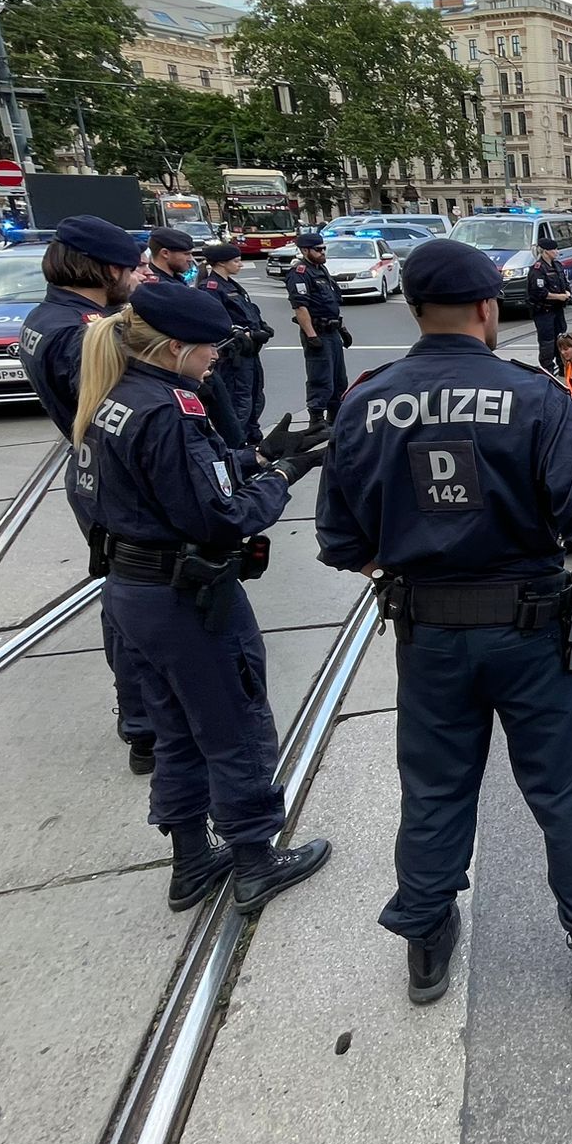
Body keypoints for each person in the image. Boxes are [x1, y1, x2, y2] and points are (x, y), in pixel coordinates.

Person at [315, 238, 572, 1008]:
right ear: (487, 308)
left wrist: (414, 579)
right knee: (567, 787)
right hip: (532, 633)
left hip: (428, 636)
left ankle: (427, 941)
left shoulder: (366, 400)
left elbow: (341, 544)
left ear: (411, 309)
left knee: (434, 788)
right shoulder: (532, 397)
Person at [73, 280, 333, 916]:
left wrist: (254, 454)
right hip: (185, 598)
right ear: (175, 347)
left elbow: (160, 485)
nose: (221, 355)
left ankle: (190, 860)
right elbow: (219, 516)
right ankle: (253, 859)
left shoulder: (115, 396)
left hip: (132, 593)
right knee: (233, 721)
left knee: (175, 728)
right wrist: (279, 477)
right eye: (211, 346)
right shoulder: (170, 411)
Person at [18, 214, 160, 774]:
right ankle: (147, 725)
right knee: (140, 603)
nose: (136, 275)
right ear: (102, 268)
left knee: (125, 597)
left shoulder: (47, 316)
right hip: (120, 484)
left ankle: (143, 720)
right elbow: (120, 414)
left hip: (91, 475)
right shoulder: (84, 331)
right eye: (130, 266)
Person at [195, 242, 272, 448]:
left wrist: (261, 327)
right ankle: (237, 448)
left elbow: (248, 311)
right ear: (221, 263)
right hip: (234, 356)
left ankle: (253, 440)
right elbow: (218, 321)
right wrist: (243, 333)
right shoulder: (211, 288)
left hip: (250, 353)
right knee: (240, 402)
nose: (240, 265)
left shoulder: (232, 285)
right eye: (236, 261)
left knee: (256, 397)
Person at [286, 231, 348, 424]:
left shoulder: (321, 270)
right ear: (305, 250)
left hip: (332, 331)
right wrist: (311, 336)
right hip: (318, 332)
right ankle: (316, 420)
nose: (322, 252)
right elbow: (300, 307)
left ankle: (334, 419)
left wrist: (342, 329)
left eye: (323, 248)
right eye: (318, 249)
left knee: (339, 381)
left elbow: (331, 305)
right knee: (321, 379)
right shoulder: (300, 273)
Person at [529, 231, 572, 374]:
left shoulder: (558, 266)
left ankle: (564, 368)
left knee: (562, 339)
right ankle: (547, 371)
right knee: (547, 343)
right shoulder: (537, 269)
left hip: (558, 311)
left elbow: (565, 282)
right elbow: (539, 293)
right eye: (554, 249)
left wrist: (567, 292)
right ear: (546, 252)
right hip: (544, 312)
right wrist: (558, 297)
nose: (557, 252)